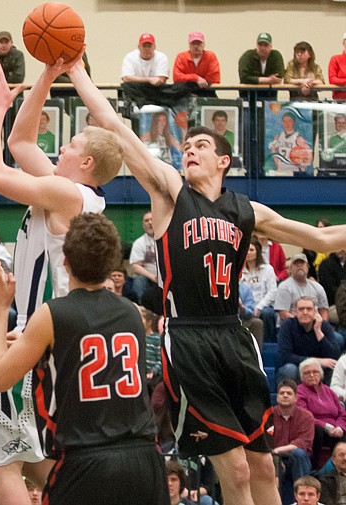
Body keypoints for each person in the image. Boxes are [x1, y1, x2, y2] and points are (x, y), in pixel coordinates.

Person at [72, 43, 346, 505]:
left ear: (224, 161)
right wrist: (77, 71)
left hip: (234, 336)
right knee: (235, 471)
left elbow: (318, 240)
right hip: (190, 336)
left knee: (261, 463)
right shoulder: (170, 192)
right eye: (188, 146)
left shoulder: (246, 209)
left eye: (202, 146)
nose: (191, 151)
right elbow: (117, 128)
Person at [0, 60, 124, 505]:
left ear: (87, 162)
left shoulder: (67, 195)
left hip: (40, 336)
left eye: (71, 144)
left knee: (1, 464)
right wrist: (46, 74)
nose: (61, 148)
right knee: (46, 465)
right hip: (51, 336)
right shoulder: (69, 189)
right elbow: (21, 142)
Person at [0, 213, 168, 504]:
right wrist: (41, 345)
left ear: (65, 261)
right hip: (143, 458)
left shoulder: (53, 313)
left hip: (87, 459)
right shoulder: (131, 313)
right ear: (112, 265)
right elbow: (91, 347)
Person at [296, 359, 346, 471]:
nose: (312, 375)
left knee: (343, 433)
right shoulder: (300, 391)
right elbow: (305, 415)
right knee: (316, 430)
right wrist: (325, 426)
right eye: (307, 373)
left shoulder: (328, 391)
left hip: (334, 429)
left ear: (321, 374)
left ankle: (339, 470)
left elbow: (342, 414)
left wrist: (340, 427)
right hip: (315, 428)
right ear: (301, 376)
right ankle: (315, 469)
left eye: (315, 372)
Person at [271, 379, 315, 504]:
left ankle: (302, 497)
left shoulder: (306, 416)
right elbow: (264, 441)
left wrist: (278, 450)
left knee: (298, 453)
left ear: (296, 398)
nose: (285, 395)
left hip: (298, 460)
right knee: (273, 460)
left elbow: (304, 442)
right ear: (277, 396)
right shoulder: (269, 415)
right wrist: (276, 456)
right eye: (282, 393)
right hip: (274, 459)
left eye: (289, 393)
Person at [241, 236, 278, 343]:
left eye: (251, 250)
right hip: (245, 306)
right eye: (246, 250)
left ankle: (266, 343)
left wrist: (259, 307)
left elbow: (272, 291)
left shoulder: (268, 269)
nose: (248, 253)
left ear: (258, 251)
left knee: (267, 314)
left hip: (263, 306)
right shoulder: (239, 270)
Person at [275, 255, 330, 322]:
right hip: (291, 326)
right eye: (296, 264)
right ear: (291, 268)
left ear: (307, 267)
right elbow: (283, 314)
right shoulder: (284, 287)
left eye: (302, 263)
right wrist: (304, 322)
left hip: (316, 325)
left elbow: (324, 311)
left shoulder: (318, 287)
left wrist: (323, 325)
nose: (299, 266)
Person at [238, 32, 285, 101]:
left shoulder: (276, 56)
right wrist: (268, 80)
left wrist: (254, 79)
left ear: (271, 46)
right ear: (256, 45)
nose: (262, 48)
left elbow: (278, 77)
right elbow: (244, 78)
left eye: (266, 45)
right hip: (248, 96)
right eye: (260, 45)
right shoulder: (247, 56)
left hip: (269, 97)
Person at [172, 32, 220, 97]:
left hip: (206, 91)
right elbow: (176, 77)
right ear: (189, 45)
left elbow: (214, 79)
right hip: (186, 92)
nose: (196, 46)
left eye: (199, 43)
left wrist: (191, 80)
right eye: (193, 43)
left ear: (204, 44)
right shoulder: (181, 57)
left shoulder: (211, 56)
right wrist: (196, 78)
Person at [130, 211, 158, 302]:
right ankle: (142, 309)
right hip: (149, 279)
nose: (149, 222)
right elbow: (136, 267)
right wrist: (153, 277)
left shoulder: (168, 239)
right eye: (146, 221)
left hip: (167, 276)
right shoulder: (139, 243)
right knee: (139, 280)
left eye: (152, 220)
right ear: (143, 225)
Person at [328, 33, 346, 102]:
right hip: (340, 101)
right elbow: (332, 79)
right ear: (343, 43)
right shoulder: (335, 59)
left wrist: (342, 81)